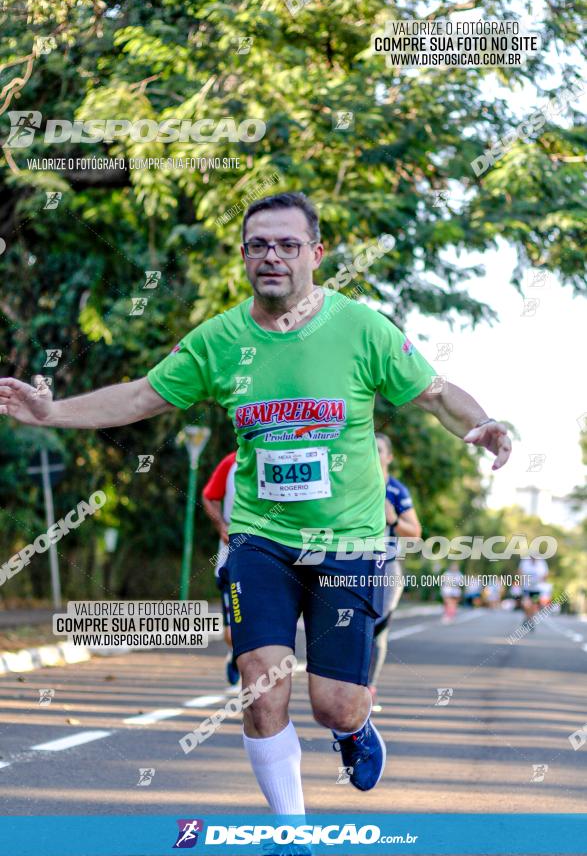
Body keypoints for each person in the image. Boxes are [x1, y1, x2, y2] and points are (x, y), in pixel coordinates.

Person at [0, 191, 512, 823]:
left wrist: (482, 423)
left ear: (316, 255)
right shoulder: (219, 341)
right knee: (261, 687)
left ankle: (355, 728)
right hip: (259, 540)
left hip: (348, 541)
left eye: (288, 245)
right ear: (244, 256)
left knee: (334, 704)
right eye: (259, 245)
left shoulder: (362, 329)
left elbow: (434, 395)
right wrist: (54, 412)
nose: (273, 256)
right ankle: (290, 829)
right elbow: (137, 398)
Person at [368, 433, 421, 703]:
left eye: (379, 450)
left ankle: (369, 689)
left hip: (386, 568)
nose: (374, 454)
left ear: (389, 457)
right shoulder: (353, 486)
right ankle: (349, 688)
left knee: (378, 628)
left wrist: (394, 520)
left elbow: (415, 532)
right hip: (351, 565)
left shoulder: (397, 490)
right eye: (369, 449)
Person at [202, 449, 240, 685]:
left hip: (272, 557)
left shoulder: (284, 456)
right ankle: (235, 654)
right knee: (232, 633)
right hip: (232, 556)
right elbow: (209, 496)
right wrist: (221, 526)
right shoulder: (230, 463)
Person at [518, 553, 549, 630]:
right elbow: (520, 572)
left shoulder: (542, 563)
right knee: (526, 604)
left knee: (534, 604)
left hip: (536, 589)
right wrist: (522, 581)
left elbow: (546, 574)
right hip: (526, 588)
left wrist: (541, 580)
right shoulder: (525, 561)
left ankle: (531, 620)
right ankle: (527, 617)